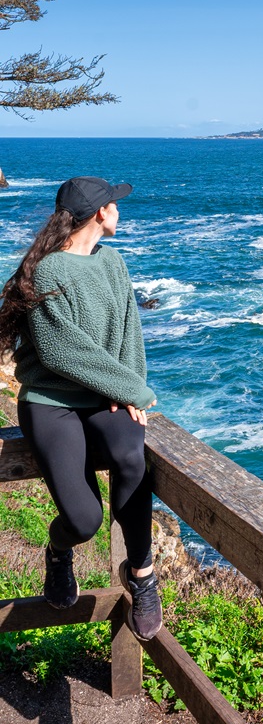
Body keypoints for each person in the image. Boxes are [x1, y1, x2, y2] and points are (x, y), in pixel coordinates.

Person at [0, 176, 162, 641]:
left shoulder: (112, 262)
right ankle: (58, 549)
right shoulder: (48, 272)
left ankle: (143, 576)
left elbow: (130, 333)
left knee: (133, 456)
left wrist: (129, 389)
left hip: (101, 396)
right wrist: (132, 389)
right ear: (99, 214)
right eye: (115, 204)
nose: (120, 211)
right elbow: (60, 353)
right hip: (51, 402)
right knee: (84, 519)